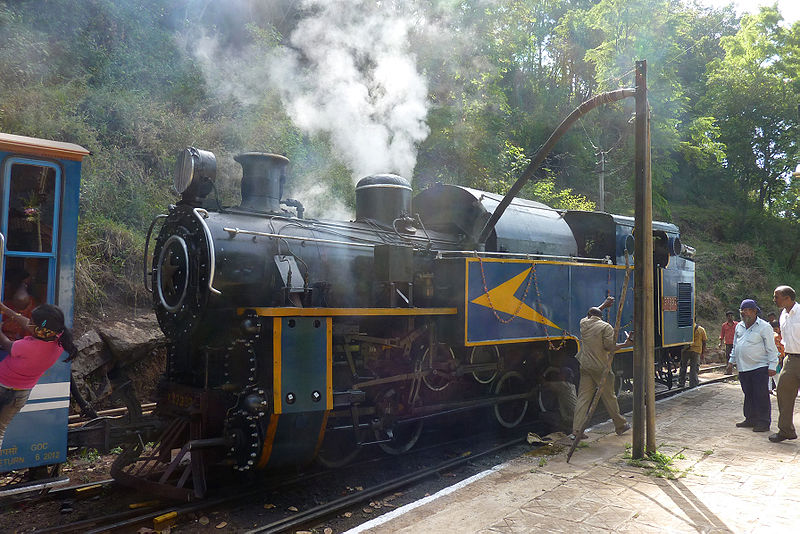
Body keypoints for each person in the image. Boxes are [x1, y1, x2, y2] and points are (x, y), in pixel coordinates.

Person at [0, 302, 78, 446]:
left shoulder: (26, 346)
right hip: (21, 394)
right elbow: (31, 327)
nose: (29, 322)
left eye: (32, 321)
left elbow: (5, 343)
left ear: (39, 330)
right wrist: (7, 311)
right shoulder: (58, 341)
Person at [572, 296, 633, 439]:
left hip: (585, 366)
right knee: (609, 397)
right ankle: (620, 425)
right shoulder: (606, 327)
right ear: (600, 316)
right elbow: (609, 347)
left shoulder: (583, 324)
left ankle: (576, 430)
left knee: (583, 398)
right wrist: (626, 344)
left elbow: (591, 313)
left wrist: (604, 305)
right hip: (600, 367)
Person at [725, 299, 778, 433]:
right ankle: (750, 418)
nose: (745, 313)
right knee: (748, 393)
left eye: (748, 310)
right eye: (743, 311)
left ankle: (763, 422)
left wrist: (772, 365)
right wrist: (731, 361)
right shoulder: (739, 326)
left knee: (761, 394)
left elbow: (771, 348)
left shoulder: (764, 327)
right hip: (743, 367)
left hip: (759, 366)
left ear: (755, 311)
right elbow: (736, 346)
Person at [771, 285, 800, 442]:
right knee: (783, 393)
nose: (774, 300)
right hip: (790, 360)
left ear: (788, 298)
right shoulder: (783, 315)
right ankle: (786, 430)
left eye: (777, 297)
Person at [679, 319, 706, 388]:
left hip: (686, 350)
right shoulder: (701, 329)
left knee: (683, 367)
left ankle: (681, 383)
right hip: (696, 351)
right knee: (694, 368)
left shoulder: (685, 329)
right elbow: (704, 342)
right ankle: (693, 384)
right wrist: (703, 353)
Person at [769, 320, 784, 395]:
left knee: (775, 374)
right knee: (775, 373)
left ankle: (774, 388)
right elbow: (774, 347)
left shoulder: (780, 336)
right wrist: (778, 355)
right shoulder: (775, 336)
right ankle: (776, 388)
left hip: (779, 356)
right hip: (775, 357)